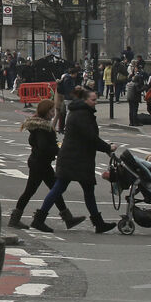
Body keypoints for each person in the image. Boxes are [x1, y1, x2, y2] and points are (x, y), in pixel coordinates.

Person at [30, 87, 116, 233]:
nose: (95, 102)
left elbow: (89, 138)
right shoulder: (82, 115)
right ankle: (39, 219)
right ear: (84, 100)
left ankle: (98, 223)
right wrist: (108, 147)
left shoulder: (80, 112)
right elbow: (90, 137)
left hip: (76, 158)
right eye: (93, 100)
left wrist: (106, 148)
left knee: (85, 190)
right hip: (75, 159)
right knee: (61, 188)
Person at [7, 99, 85, 229]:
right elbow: (44, 146)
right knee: (34, 191)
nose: (53, 113)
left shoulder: (39, 126)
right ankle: (18, 220)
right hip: (40, 164)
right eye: (52, 111)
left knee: (53, 190)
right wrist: (58, 150)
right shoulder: (42, 128)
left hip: (39, 162)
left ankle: (67, 218)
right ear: (45, 111)